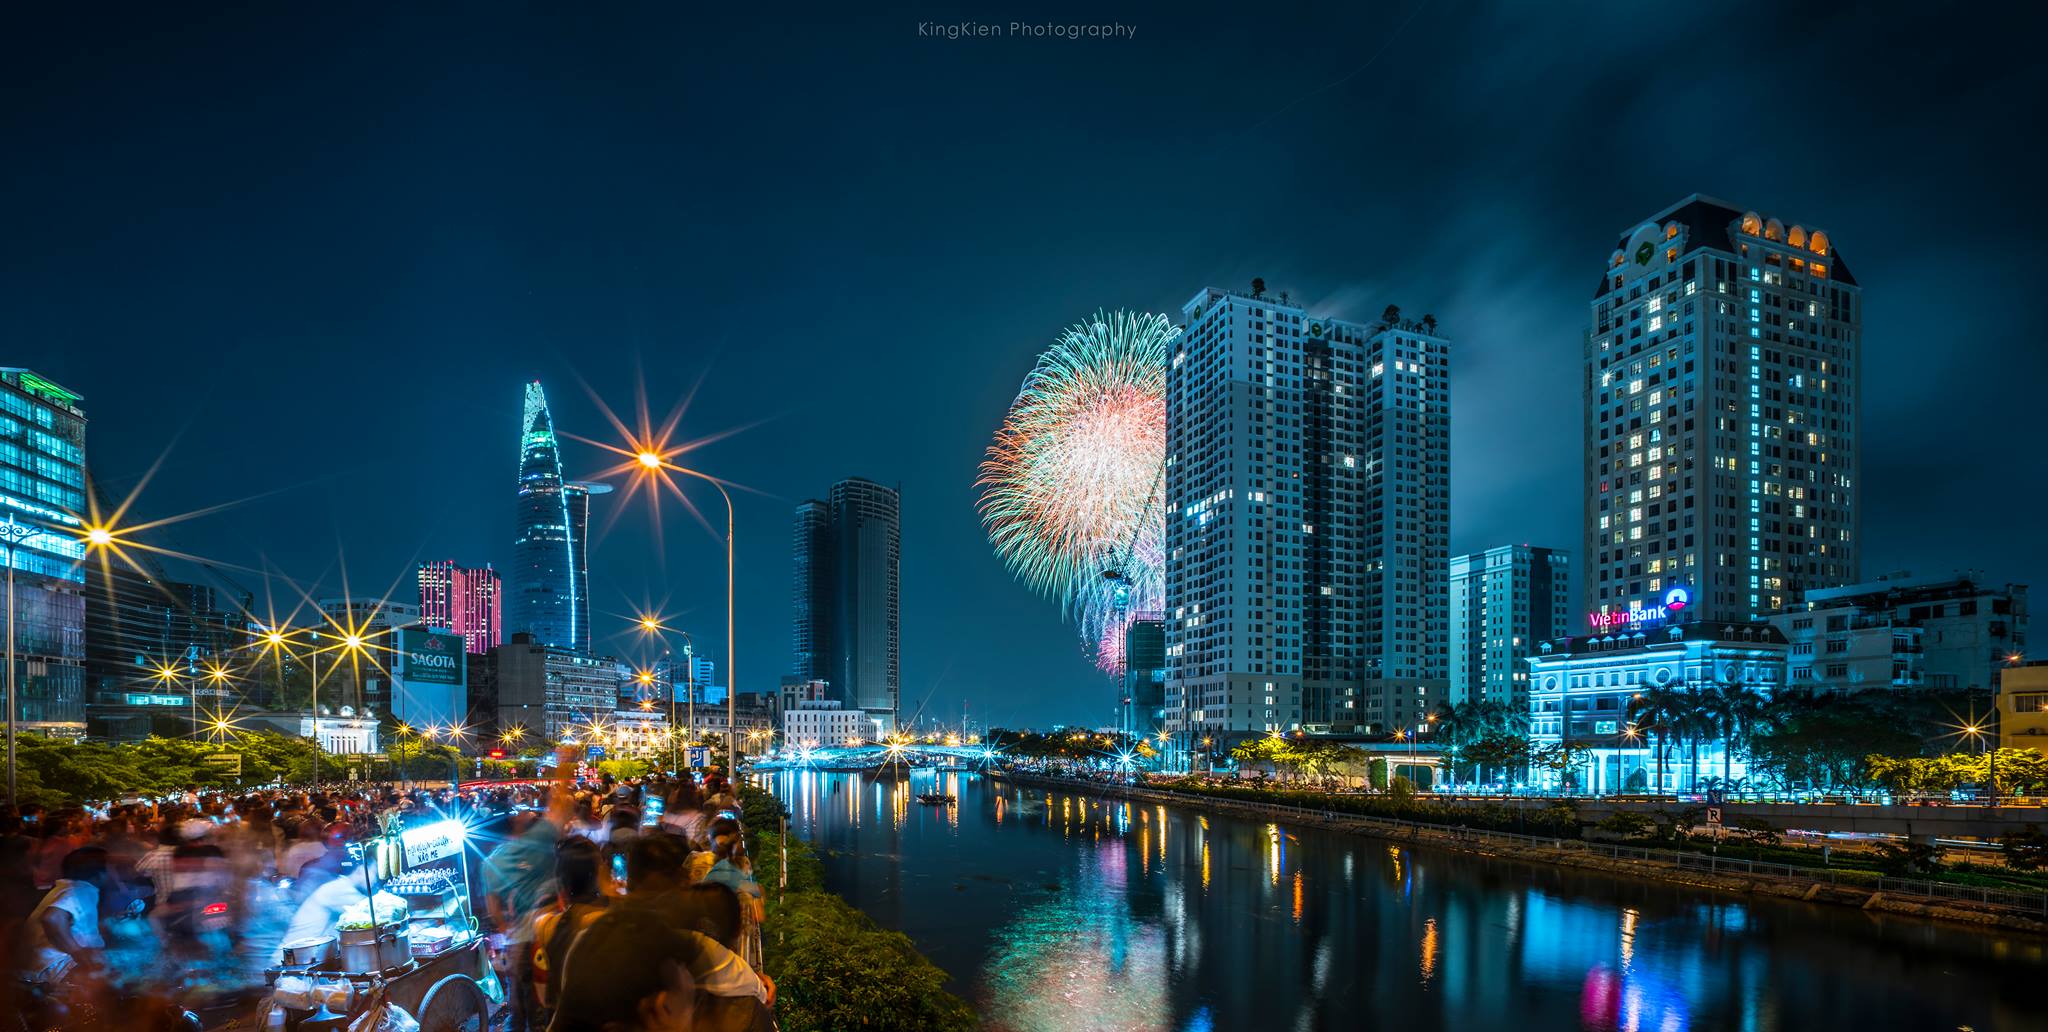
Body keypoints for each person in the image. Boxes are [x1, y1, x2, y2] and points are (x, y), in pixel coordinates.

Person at [531, 837, 608, 1022]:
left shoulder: (544, 926)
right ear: (599, 875)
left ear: (560, 882)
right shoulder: (615, 921)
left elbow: (543, 996)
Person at [23, 847, 110, 983]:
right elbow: (52, 918)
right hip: (56, 966)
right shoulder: (81, 889)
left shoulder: (67, 888)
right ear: (98, 874)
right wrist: (78, 953)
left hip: (42, 964)